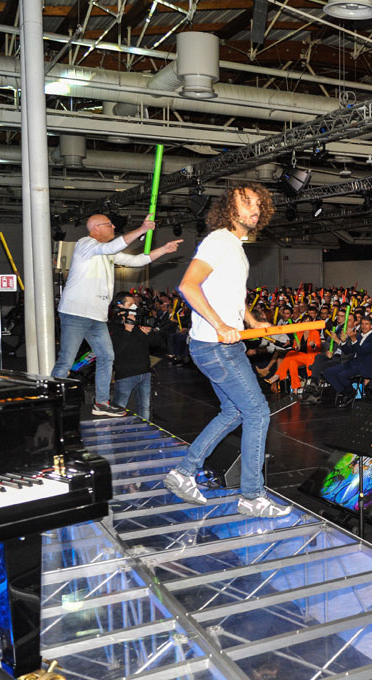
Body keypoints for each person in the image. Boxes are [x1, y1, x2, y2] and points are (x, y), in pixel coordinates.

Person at [165, 182, 292, 518]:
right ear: (228, 208)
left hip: (215, 346)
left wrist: (251, 320)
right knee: (258, 413)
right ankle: (251, 496)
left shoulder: (234, 245)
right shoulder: (220, 240)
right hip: (217, 345)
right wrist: (221, 325)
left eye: (258, 204)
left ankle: (183, 473)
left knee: (234, 412)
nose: (253, 209)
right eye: (245, 203)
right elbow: (188, 286)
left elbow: (232, 294)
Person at [51, 213, 181, 416]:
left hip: (97, 316)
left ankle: (101, 403)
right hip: (76, 313)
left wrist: (163, 250)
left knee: (106, 356)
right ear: (95, 228)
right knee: (66, 361)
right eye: (109, 225)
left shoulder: (106, 253)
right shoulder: (86, 244)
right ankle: (52, 406)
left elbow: (138, 260)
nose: (113, 227)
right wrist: (142, 229)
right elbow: (110, 247)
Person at [108, 292, 161, 421]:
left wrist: (149, 333)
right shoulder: (112, 326)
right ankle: (117, 435)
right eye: (130, 304)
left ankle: (144, 433)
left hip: (144, 372)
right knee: (119, 408)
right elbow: (116, 351)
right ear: (119, 306)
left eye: (135, 304)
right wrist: (127, 330)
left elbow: (157, 344)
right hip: (126, 374)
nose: (134, 308)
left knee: (145, 408)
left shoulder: (138, 323)